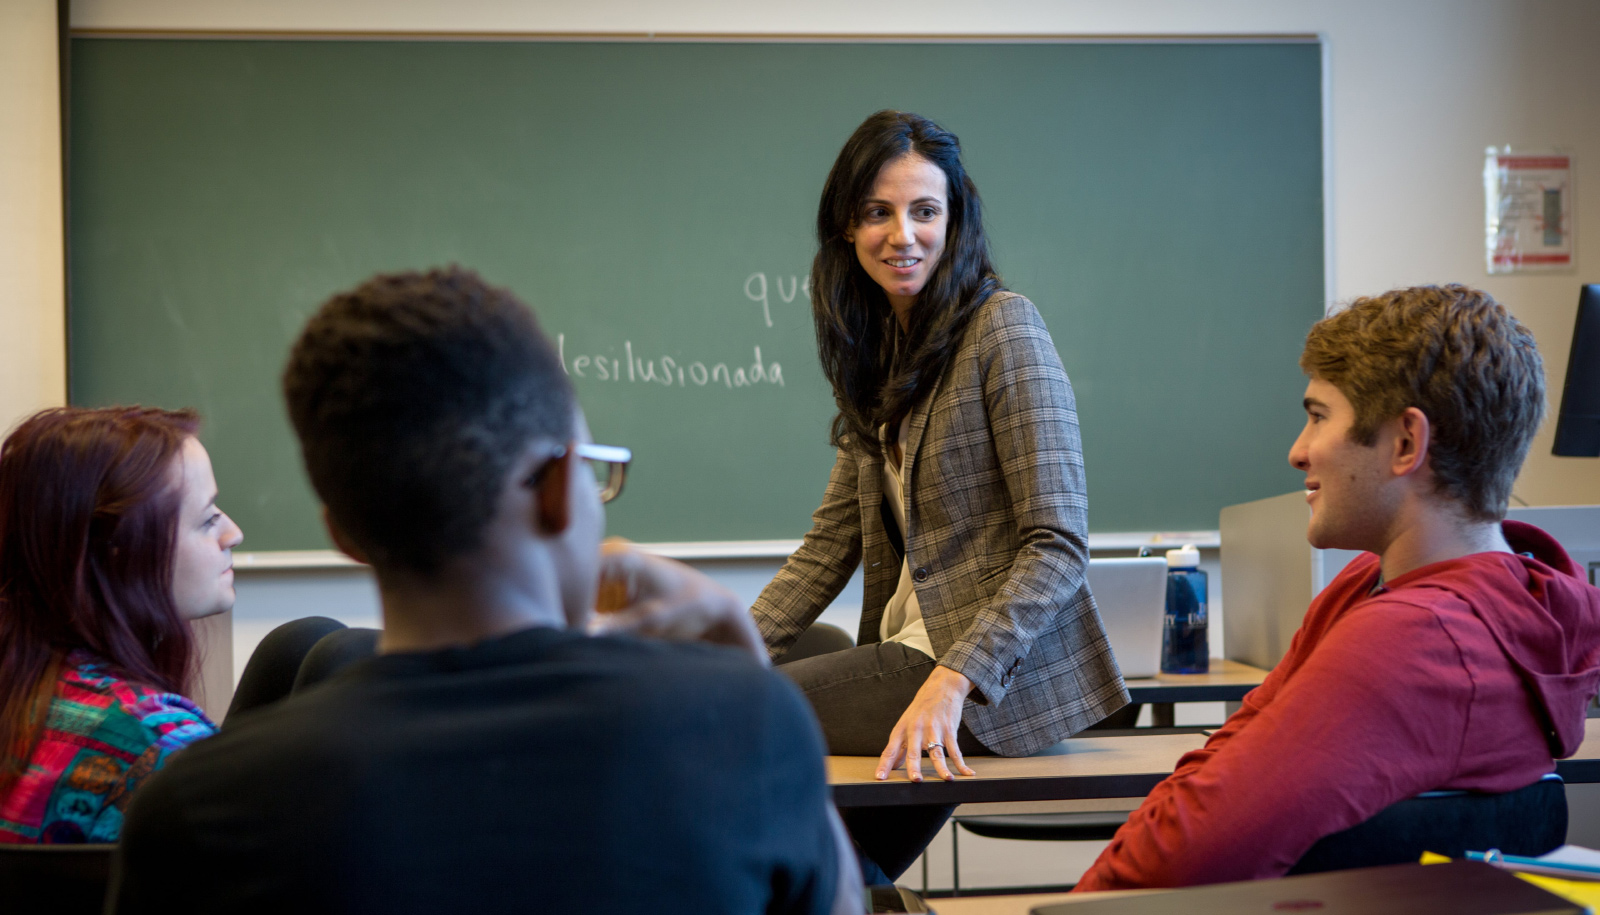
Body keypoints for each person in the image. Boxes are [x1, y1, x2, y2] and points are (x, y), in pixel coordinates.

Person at [108, 268, 860, 915]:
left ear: (343, 532)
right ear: (563, 489)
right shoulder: (741, 734)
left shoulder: (194, 815)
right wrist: (751, 677)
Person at [1075, 284, 1600, 890]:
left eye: (1319, 416)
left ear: (1405, 443)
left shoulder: (1412, 637)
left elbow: (1184, 854)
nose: (1298, 451)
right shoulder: (1400, 586)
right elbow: (1228, 757)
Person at [750, 109, 1128, 879]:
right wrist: (723, 649)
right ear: (846, 229)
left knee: (747, 719)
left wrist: (954, 681)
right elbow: (830, 545)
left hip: (982, 679)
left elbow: (1058, 542)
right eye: (877, 213)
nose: (903, 234)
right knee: (759, 688)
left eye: (926, 211)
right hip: (912, 658)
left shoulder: (1004, 329)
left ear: (955, 222)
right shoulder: (881, 354)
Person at [0, 407, 239, 843]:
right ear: (118, 551)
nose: (233, 534)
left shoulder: (22, 684)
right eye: (207, 520)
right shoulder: (162, 745)